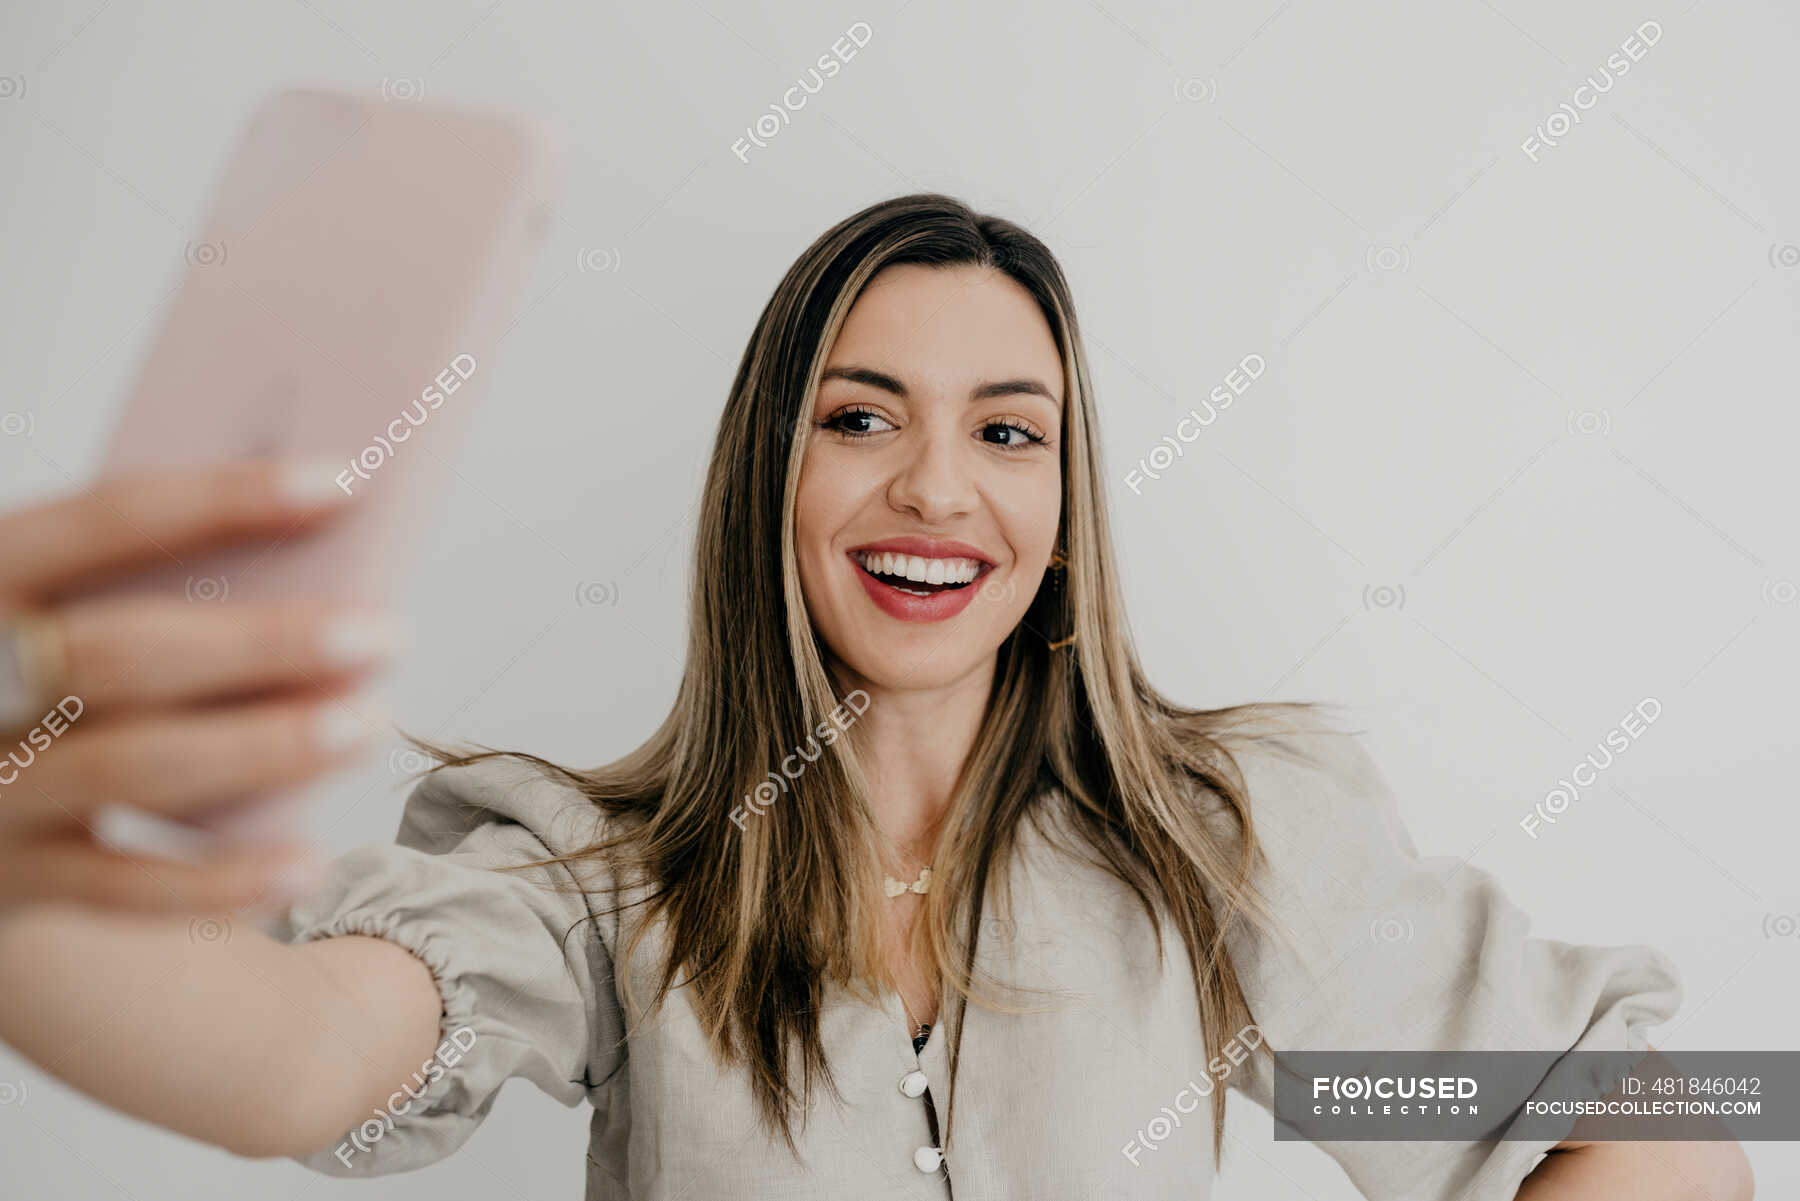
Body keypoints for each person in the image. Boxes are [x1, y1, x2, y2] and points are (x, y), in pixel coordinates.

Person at [0, 194, 1752, 1199]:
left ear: (1064, 516)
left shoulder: (1218, 851)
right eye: (860, 416)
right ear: (770, 472)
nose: (935, 487)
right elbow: (294, 1062)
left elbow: (1653, 1120)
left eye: (1008, 430)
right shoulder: (601, 878)